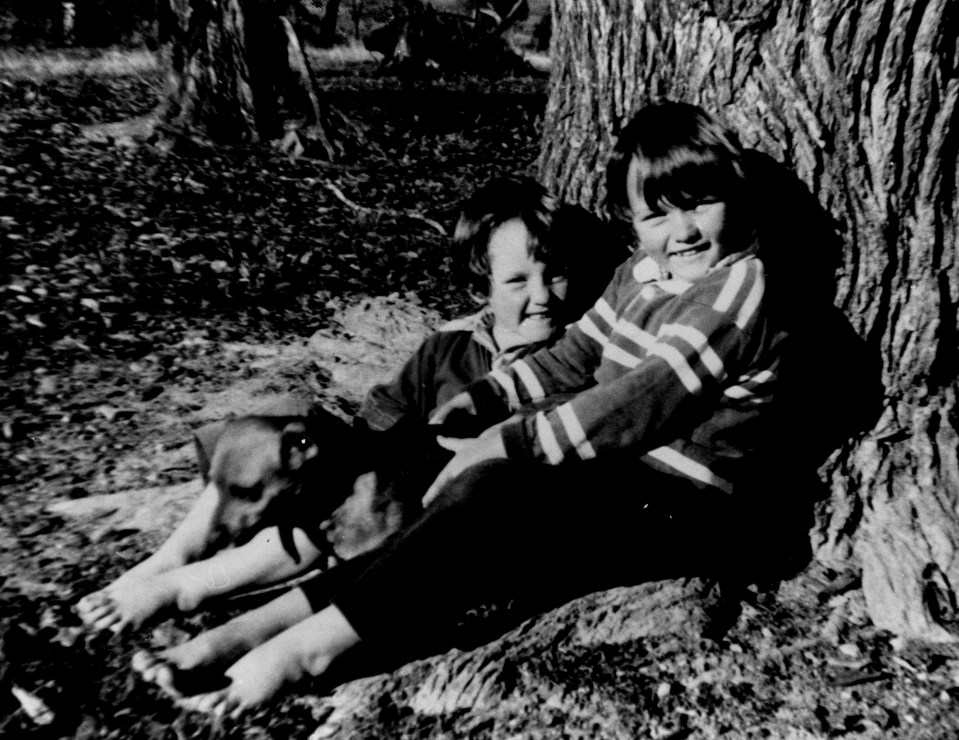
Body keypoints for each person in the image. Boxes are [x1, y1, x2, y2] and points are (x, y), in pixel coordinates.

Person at [135, 101, 865, 717]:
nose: (681, 232)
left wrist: (508, 443)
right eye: (656, 214)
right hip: (617, 473)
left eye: (699, 203)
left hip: (687, 506)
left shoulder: (739, 290)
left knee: (488, 492)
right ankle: (260, 622)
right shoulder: (643, 273)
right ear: (629, 219)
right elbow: (576, 357)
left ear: (734, 196)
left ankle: (312, 648)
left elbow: (637, 403)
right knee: (428, 467)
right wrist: (484, 399)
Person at [75, 175, 624, 635]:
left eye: (555, 273)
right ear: (480, 284)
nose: (544, 295)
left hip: (452, 512)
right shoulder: (447, 349)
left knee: (363, 501)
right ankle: (177, 555)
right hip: (385, 486)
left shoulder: (578, 355)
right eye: (518, 280)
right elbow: (381, 419)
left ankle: (196, 588)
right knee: (275, 430)